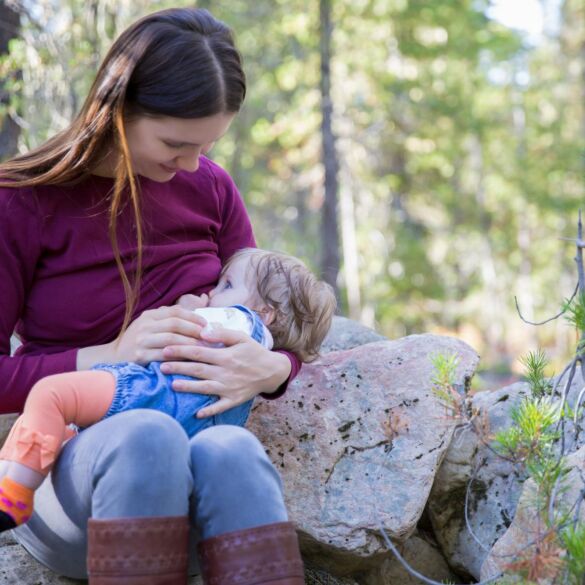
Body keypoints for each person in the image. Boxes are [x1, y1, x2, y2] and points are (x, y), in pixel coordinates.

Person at [0, 7, 319, 584]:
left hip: (206, 497)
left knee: (234, 450)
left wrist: (270, 367)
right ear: (117, 111)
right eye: (176, 143)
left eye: (208, 145)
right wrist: (108, 355)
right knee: (147, 434)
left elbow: (279, 313)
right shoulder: (21, 203)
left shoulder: (212, 189)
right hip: (75, 489)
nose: (193, 165)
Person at [0, 248, 336, 533]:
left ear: (264, 313)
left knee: (52, 395)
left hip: (145, 392)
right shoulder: (250, 343)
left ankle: (15, 491)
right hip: (188, 433)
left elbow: (198, 330)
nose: (212, 292)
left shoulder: (241, 322)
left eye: (226, 284)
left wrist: (189, 310)